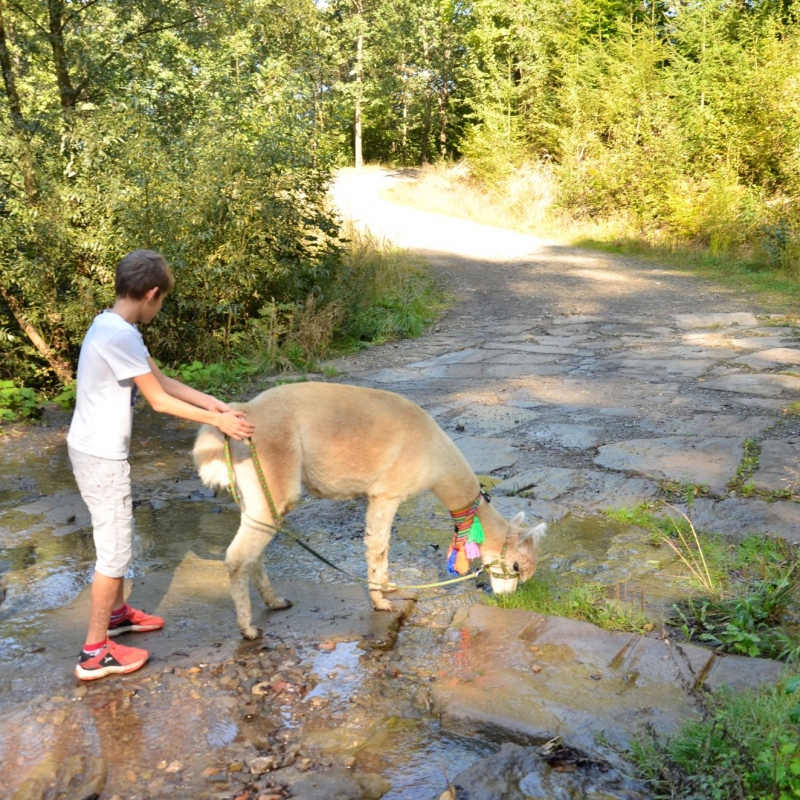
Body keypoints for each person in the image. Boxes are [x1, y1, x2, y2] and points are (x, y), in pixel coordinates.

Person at [67, 249, 255, 681]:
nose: (161, 307)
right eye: (162, 300)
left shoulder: (112, 324)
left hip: (94, 448)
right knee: (113, 553)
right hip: (100, 455)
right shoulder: (120, 335)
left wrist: (213, 403)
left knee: (115, 537)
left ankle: (117, 617)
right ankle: (95, 653)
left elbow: (162, 381)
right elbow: (158, 400)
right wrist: (217, 421)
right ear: (151, 293)